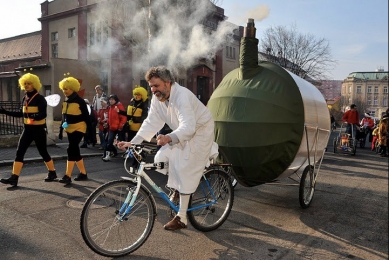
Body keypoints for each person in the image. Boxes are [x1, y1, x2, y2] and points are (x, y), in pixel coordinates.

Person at [117, 66, 218, 231]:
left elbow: (189, 126)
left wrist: (168, 137)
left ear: (168, 82)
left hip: (200, 131)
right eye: (151, 86)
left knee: (185, 167)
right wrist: (133, 142)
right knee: (162, 158)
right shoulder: (158, 99)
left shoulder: (182, 96)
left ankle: (182, 218)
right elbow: (151, 122)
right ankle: (178, 190)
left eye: (156, 86)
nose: (153, 90)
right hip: (181, 132)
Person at [0, 73, 57, 186]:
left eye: (29, 83)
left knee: (43, 152)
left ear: (34, 84)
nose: (26, 85)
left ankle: (52, 172)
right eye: (25, 83)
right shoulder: (25, 98)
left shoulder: (40, 99)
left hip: (38, 130)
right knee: (19, 152)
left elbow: (43, 114)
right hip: (27, 130)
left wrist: (33, 117)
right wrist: (4, 111)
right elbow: (20, 114)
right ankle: (14, 178)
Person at [58, 76, 91, 184]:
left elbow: (86, 117)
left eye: (67, 89)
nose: (65, 91)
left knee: (70, 149)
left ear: (73, 88)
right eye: (63, 89)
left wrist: (89, 133)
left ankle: (67, 176)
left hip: (79, 128)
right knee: (75, 151)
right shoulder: (65, 101)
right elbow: (64, 116)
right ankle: (83, 173)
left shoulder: (80, 101)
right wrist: (60, 129)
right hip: (69, 129)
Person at [102, 94, 127, 161]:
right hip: (112, 128)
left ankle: (127, 153)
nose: (111, 101)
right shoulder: (111, 107)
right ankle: (108, 155)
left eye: (112, 99)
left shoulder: (119, 106)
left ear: (115, 100)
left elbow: (123, 117)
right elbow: (110, 118)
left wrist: (120, 126)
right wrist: (107, 123)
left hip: (118, 128)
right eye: (110, 99)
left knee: (121, 142)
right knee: (109, 142)